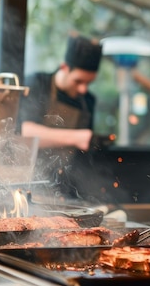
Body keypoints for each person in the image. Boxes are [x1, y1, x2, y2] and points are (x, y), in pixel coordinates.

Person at [18, 33, 105, 197]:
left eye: (88, 83)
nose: (83, 89)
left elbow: (83, 159)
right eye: (78, 81)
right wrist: (78, 138)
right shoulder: (37, 84)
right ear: (64, 67)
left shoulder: (88, 101)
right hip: (28, 182)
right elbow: (26, 133)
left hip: (63, 187)